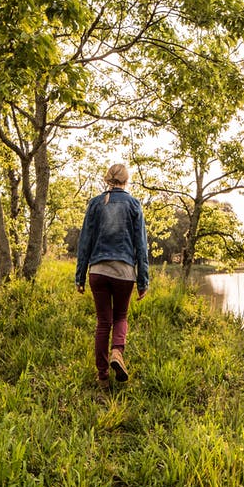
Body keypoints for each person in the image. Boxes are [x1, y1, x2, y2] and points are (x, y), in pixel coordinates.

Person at [75, 163, 150, 389]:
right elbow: (141, 246)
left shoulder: (95, 203)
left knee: (103, 323)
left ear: (107, 179)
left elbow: (84, 242)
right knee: (120, 317)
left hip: (98, 271)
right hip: (124, 271)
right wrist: (143, 280)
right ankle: (117, 351)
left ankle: (103, 378)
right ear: (126, 180)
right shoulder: (134, 204)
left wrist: (79, 276)